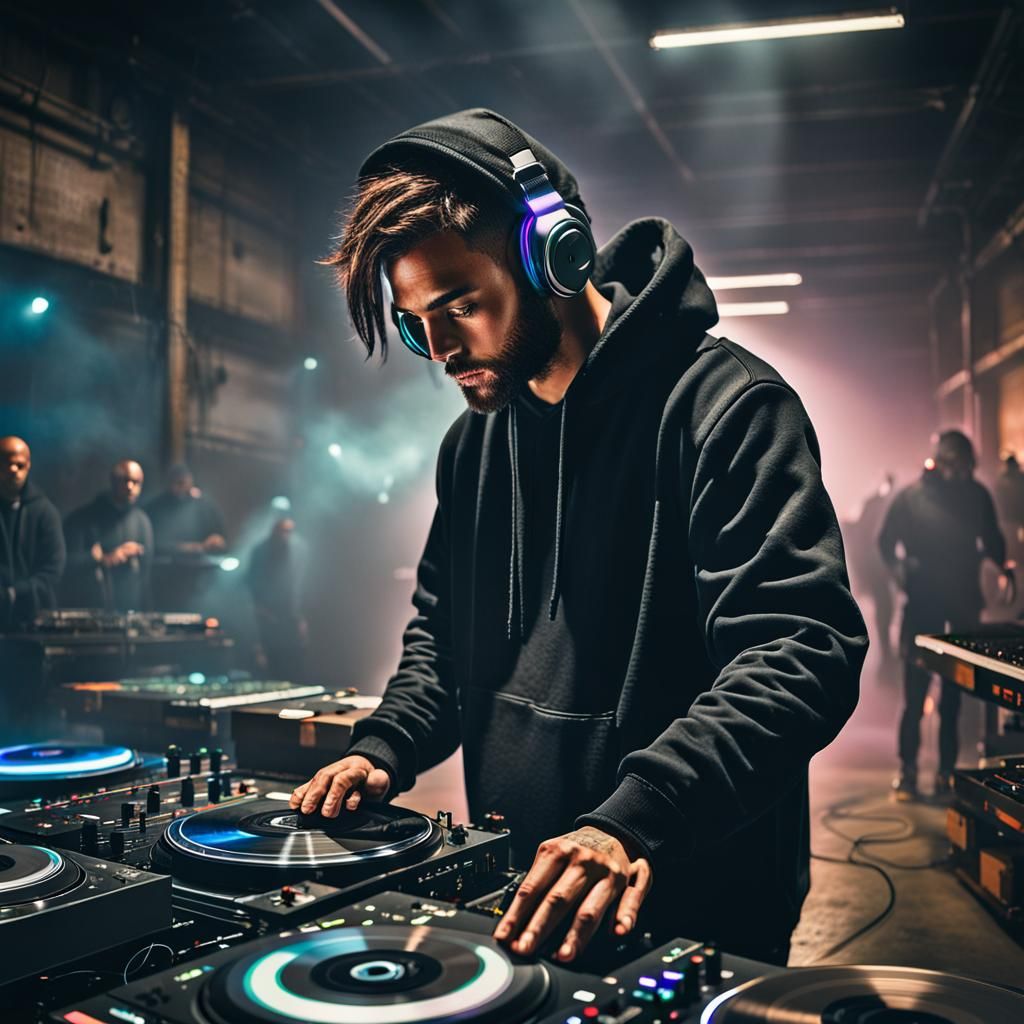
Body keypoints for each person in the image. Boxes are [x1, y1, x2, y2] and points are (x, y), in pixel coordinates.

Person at [290, 109, 867, 966]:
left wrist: (634, 820)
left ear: (550, 255)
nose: (441, 349)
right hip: (530, 893)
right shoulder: (474, 445)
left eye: (460, 307)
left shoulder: (730, 409)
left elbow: (801, 650)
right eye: (415, 323)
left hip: (694, 898)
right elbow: (443, 638)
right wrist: (386, 745)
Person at [879, 430, 1015, 801]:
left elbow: (991, 538)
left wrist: (1004, 567)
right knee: (915, 695)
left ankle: (945, 773)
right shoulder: (910, 498)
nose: (962, 471)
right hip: (923, 607)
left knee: (954, 698)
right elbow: (885, 540)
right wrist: (899, 569)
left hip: (960, 605)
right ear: (942, 461)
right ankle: (908, 771)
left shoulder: (975, 496)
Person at [63, 459, 153, 611]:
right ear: (113, 481)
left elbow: (146, 573)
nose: (130, 487)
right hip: (89, 609)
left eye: (135, 482)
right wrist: (102, 559)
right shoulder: (82, 518)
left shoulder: (142, 522)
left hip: (130, 610)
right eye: (125, 480)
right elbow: (65, 564)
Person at [0, 436, 65, 629]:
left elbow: (53, 568)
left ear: (28, 466)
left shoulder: (45, 512)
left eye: (19, 465)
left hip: (33, 619)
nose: (13, 470)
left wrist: (15, 593)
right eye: (7, 463)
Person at [146, 463, 227, 609]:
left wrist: (216, 541)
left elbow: (221, 537)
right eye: (176, 483)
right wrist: (187, 548)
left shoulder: (204, 505)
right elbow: (152, 543)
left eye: (183, 483)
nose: (180, 488)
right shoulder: (156, 508)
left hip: (198, 582)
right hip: (166, 580)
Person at [245, 517, 309, 681]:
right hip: (267, 614)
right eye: (283, 530)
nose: (286, 535)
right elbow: (252, 581)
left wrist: (299, 615)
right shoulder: (260, 551)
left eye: (289, 531)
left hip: (289, 615)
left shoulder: (295, 550)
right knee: (271, 659)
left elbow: (298, 585)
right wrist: (259, 607)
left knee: (293, 658)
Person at [848, 473, 898, 664]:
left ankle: (887, 649)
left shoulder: (880, 503)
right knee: (884, 605)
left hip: (881, 562)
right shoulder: (875, 504)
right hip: (876, 563)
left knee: (886, 605)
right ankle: (886, 649)